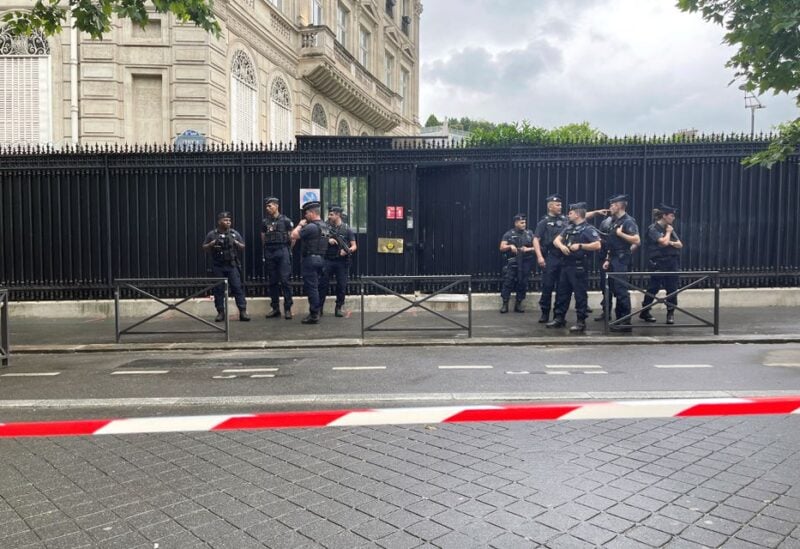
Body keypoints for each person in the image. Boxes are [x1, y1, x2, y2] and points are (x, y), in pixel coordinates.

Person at [546, 202, 602, 332]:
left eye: (570, 213)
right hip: (566, 264)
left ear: (577, 214)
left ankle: (581, 321)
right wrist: (562, 246)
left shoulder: (588, 229)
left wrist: (581, 246)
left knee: (580, 294)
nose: (568, 215)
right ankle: (559, 318)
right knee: (562, 293)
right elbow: (556, 240)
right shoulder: (569, 228)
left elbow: (597, 245)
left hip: (579, 266)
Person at [202, 211, 250, 322]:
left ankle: (242, 311)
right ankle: (220, 312)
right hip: (218, 265)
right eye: (225, 220)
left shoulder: (234, 233)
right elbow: (204, 247)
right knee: (218, 290)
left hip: (231, 265)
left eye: (229, 220)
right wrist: (212, 244)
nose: (228, 222)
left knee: (237, 288)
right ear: (219, 222)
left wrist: (236, 243)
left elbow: (243, 247)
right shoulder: (212, 234)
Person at [602, 194, 640, 330]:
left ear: (618, 205)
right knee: (614, 289)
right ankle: (619, 319)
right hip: (613, 258)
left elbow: (636, 240)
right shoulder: (614, 221)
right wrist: (607, 259)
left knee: (621, 289)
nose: (610, 207)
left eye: (612, 205)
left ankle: (625, 320)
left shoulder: (628, 221)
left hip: (621, 259)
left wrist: (621, 234)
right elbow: (611, 243)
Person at [640, 204, 683, 324]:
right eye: (671, 216)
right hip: (658, 262)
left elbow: (680, 244)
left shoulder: (669, 228)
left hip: (672, 261)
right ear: (664, 216)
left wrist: (669, 241)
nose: (673, 218)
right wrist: (668, 235)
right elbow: (663, 243)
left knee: (672, 288)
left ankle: (670, 313)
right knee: (653, 288)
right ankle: (645, 311)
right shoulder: (654, 228)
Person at [290, 201, 328, 324]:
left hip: (310, 260)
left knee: (311, 288)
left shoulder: (311, 226)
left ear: (312, 213)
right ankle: (317, 311)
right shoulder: (324, 226)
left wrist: (300, 225)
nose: (305, 216)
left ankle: (314, 314)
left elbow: (293, 235)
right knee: (316, 287)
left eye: (306, 213)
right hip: (321, 259)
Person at [533, 194, 567, 323]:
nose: (560, 207)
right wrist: (540, 257)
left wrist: (596, 212)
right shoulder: (544, 222)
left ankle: (558, 315)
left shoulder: (565, 220)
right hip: (550, 256)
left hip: (564, 257)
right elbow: (536, 239)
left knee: (562, 287)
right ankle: (545, 312)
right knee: (547, 286)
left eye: (560, 204)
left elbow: (581, 216)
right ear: (550, 206)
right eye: (557, 205)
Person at [319, 205, 357, 317]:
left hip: (341, 261)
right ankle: (319, 308)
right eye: (329, 214)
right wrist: (327, 240)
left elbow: (354, 246)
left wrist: (347, 251)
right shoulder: (325, 227)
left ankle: (339, 307)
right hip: (327, 260)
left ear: (338, 215)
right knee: (322, 285)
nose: (329, 216)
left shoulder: (347, 229)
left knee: (341, 285)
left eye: (331, 214)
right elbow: (318, 240)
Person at [260, 197, 294, 320]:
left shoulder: (285, 221)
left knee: (285, 280)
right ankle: (275, 308)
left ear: (276, 206)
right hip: (270, 251)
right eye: (267, 206)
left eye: (270, 206)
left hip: (282, 250)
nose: (267, 208)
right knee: (272, 281)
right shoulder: (265, 222)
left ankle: (288, 308)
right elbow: (263, 237)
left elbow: (292, 238)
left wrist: (287, 249)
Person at [499, 214, 535, 313]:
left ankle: (518, 303)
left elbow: (537, 247)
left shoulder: (529, 234)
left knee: (523, 282)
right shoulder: (509, 234)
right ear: (516, 223)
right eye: (521, 222)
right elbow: (501, 247)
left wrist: (528, 249)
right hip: (513, 261)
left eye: (525, 222)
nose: (524, 224)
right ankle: (505, 304)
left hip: (525, 261)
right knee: (508, 282)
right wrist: (510, 246)